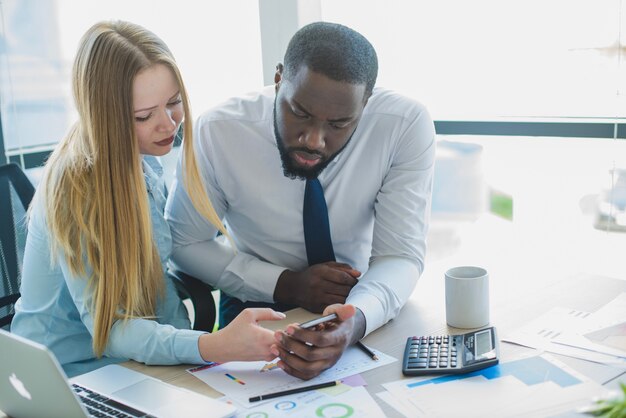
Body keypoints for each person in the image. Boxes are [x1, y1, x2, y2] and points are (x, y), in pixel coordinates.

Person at [11, 20, 284, 377]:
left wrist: (201, 357)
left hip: (129, 365)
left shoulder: (142, 162)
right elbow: (110, 329)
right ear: (106, 118)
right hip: (66, 377)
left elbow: (158, 289)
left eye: (173, 103)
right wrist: (210, 345)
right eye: (144, 116)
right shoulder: (75, 191)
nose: (169, 125)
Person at [166, 21, 435, 380]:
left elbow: (399, 255)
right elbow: (185, 242)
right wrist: (287, 283)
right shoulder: (218, 132)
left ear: (365, 103)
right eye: (300, 113)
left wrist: (352, 323)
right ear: (279, 80)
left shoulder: (403, 126)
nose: (313, 140)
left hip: (365, 298)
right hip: (257, 303)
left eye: (339, 124)